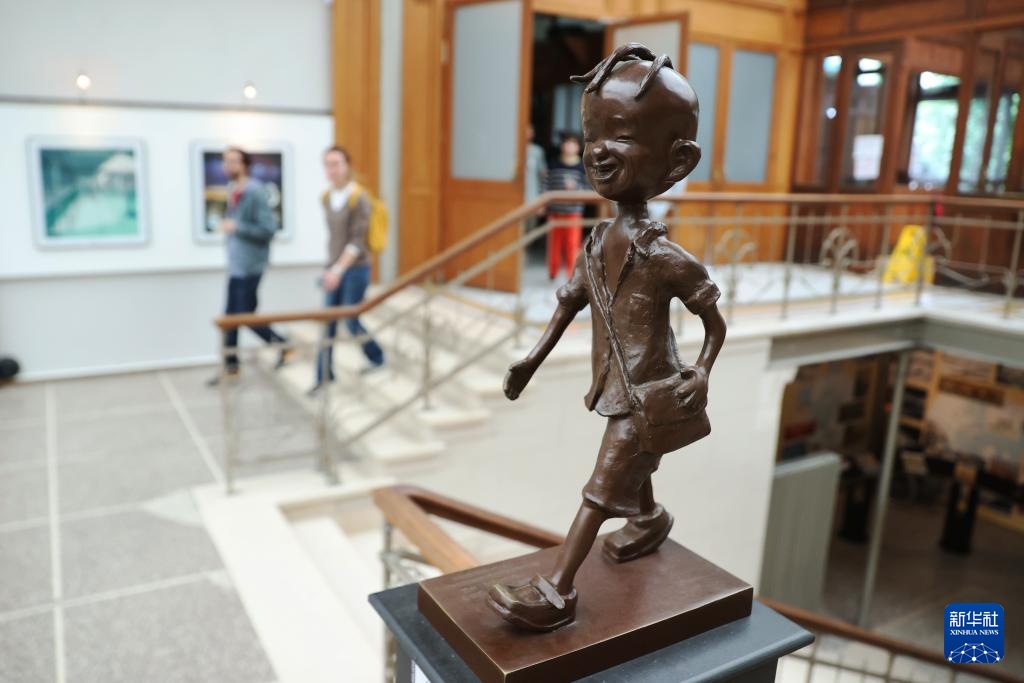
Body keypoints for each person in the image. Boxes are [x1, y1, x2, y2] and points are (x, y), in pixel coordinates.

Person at [487, 44, 726, 631]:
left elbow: (714, 322)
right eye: (593, 133)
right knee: (630, 468)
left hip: (649, 391)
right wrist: (531, 360)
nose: (598, 150)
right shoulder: (596, 242)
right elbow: (569, 303)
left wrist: (701, 371)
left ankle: (557, 591)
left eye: (621, 136)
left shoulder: (664, 255)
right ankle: (648, 519)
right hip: (616, 386)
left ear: (677, 161)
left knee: (600, 489)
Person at [209, 146, 292, 385]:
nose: (228, 166)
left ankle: (283, 345)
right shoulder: (233, 190)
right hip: (237, 265)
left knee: (242, 315)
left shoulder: (255, 191)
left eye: (233, 161)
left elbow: (268, 229)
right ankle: (232, 366)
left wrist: (237, 227)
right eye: (226, 161)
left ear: (244, 164)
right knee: (231, 317)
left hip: (250, 267)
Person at [309, 146, 385, 395]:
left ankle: (376, 356)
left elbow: (357, 241)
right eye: (327, 164)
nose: (332, 169)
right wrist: (331, 268)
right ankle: (323, 376)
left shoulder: (358, 198)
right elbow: (335, 238)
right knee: (327, 322)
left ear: (347, 166)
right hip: (334, 266)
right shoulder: (326, 197)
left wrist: (337, 270)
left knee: (351, 320)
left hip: (355, 268)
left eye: (336, 164)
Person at [543, 131, 587, 280]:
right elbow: (546, 184)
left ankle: (571, 274)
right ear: (562, 145)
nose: (569, 146)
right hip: (555, 211)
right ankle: (552, 272)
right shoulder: (553, 164)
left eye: (573, 143)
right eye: (567, 143)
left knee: (572, 244)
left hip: (573, 212)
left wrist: (576, 188)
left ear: (578, 147)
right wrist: (543, 204)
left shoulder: (582, 166)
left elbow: (588, 187)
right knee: (553, 245)